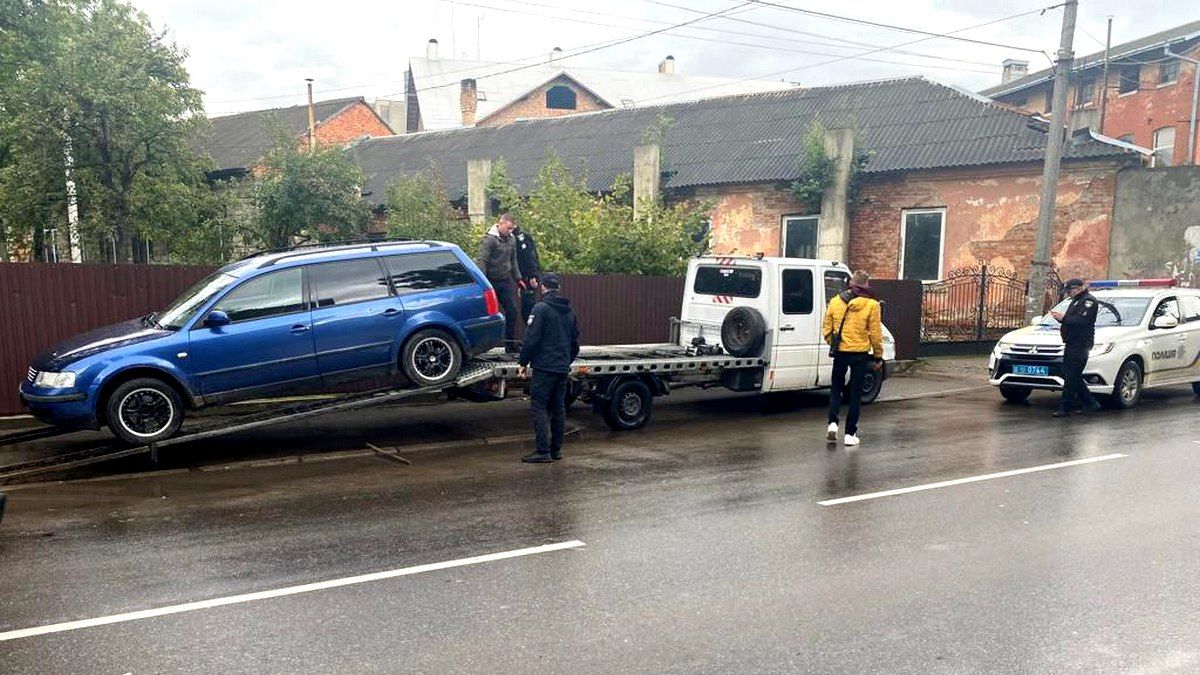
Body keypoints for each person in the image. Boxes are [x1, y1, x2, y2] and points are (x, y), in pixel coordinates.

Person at [517, 273, 580, 464]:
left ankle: (542, 451)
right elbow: (575, 344)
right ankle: (556, 450)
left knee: (539, 407)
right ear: (558, 288)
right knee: (558, 408)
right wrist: (565, 361)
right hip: (561, 368)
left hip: (544, 368)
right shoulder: (570, 312)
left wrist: (523, 362)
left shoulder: (541, 308)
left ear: (543, 287)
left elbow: (531, 339)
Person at [822, 270, 884, 447]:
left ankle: (832, 423)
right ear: (866, 284)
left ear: (851, 283)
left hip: (840, 352)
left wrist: (832, 343)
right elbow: (875, 334)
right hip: (860, 354)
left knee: (836, 389)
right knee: (855, 395)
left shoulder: (835, 301)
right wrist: (878, 356)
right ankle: (850, 434)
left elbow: (826, 328)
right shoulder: (872, 305)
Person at [1051, 278, 1102, 418]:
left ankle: (1065, 407)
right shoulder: (1075, 300)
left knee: (1070, 376)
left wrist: (1063, 318)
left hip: (1081, 344)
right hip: (1072, 343)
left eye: (1070, 291)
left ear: (1079, 288)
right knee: (1070, 374)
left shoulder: (1088, 301)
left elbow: (1081, 320)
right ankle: (1091, 402)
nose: (1068, 294)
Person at [476, 213, 522, 352]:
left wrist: (518, 279)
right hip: (490, 281)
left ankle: (510, 345)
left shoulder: (512, 239)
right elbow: (482, 261)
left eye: (512, 229)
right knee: (488, 314)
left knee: (512, 311)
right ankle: (483, 346)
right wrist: (483, 283)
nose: (510, 231)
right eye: (508, 228)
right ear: (500, 224)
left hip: (505, 280)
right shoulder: (490, 239)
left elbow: (513, 260)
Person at [513, 224, 543, 324]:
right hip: (526, 278)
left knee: (528, 310)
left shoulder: (520, 238)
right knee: (528, 309)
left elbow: (529, 257)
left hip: (528, 278)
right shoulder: (522, 236)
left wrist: (532, 276)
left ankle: (532, 333)